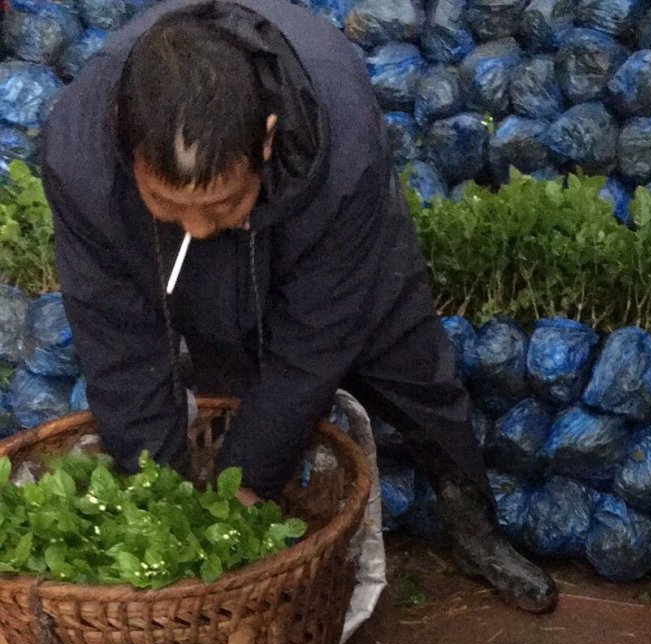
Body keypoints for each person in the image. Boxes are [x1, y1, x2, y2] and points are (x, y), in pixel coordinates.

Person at [42, 0, 557, 612]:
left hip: (338, 248)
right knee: (226, 372)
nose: (197, 229)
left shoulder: (342, 136)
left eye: (220, 204)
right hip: (172, 259)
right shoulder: (80, 161)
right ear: (129, 155)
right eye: (169, 202)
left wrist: (249, 476)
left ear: (265, 138)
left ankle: (472, 525)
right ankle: (236, 525)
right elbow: (118, 343)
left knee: (411, 367)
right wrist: (166, 501)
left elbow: (318, 332)